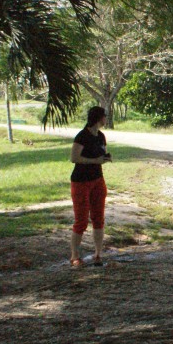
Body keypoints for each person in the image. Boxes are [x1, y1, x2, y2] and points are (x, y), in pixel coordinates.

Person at [69, 106, 112, 268]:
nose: (106, 119)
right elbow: (74, 158)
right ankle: (74, 256)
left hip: (97, 180)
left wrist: (105, 158)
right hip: (81, 181)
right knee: (81, 220)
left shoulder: (101, 136)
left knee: (98, 218)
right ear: (99, 118)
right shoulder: (82, 136)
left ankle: (98, 254)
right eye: (104, 116)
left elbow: (101, 154)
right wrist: (95, 161)